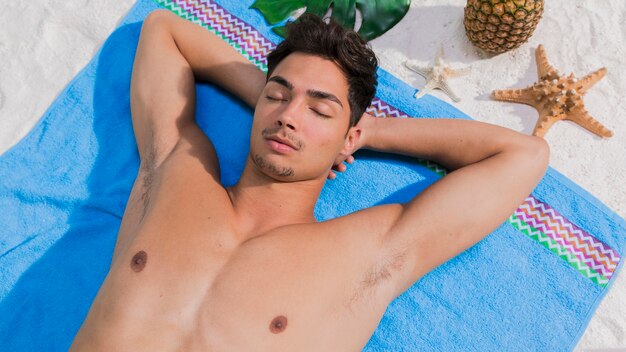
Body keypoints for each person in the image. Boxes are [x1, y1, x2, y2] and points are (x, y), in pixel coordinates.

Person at [70, 9, 549, 351]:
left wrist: (366, 132)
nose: (289, 118)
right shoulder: (176, 166)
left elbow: (521, 155)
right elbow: (163, 30)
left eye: (320, 108)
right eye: (276, 97)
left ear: (348, 133)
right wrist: (286, 100)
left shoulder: (367, 254)